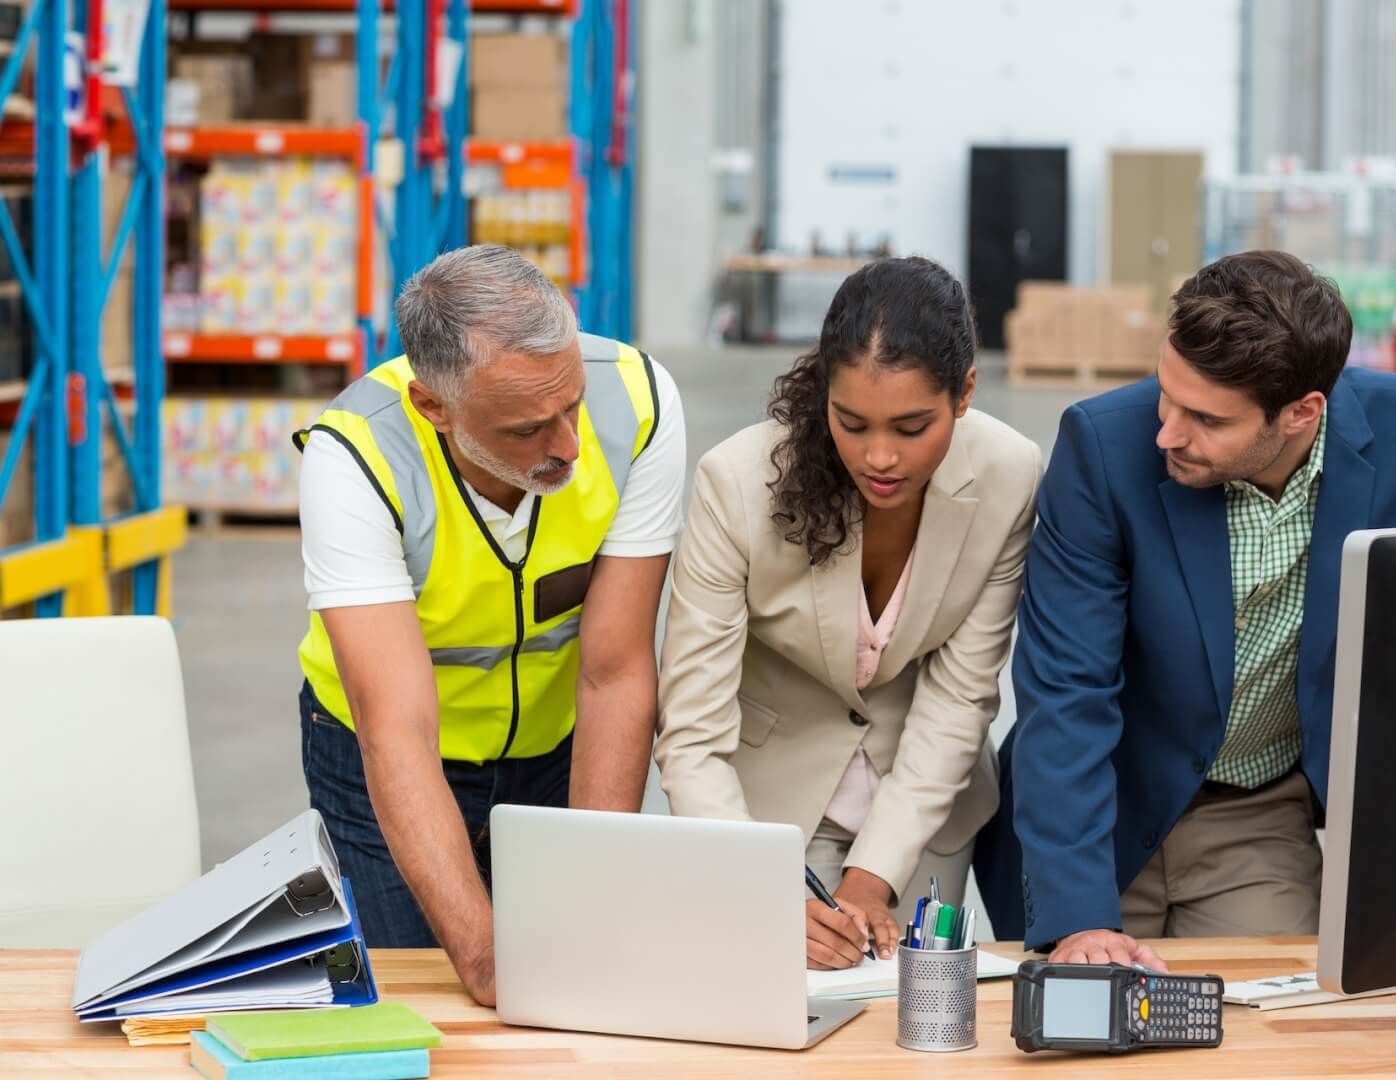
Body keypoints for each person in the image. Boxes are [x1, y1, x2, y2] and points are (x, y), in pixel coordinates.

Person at [975, 250, 1396, 968]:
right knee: (1082, 1032)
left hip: (1257, 808)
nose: (1167, 433)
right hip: (1097, 803)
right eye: (1165, 393)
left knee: (1275, 1036)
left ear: (1304, 413)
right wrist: (1079, 921)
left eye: (1206, 418)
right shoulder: (1103, 450)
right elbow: (1066, 692)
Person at [295, 244, 686, 1003]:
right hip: (385, 759)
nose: (569, 447)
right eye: (525, 430)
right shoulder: (354, 457)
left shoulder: (638, 403)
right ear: (432, 407)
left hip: (557, 745)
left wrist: (594, 893)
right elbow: (397, 732)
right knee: (421, 1003)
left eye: (569, 405)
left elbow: (615, 671)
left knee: (576, 976)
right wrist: (481, 958)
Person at [655, 256, 1042, 969]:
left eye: (912, 425)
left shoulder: (1010, 474)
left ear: (965, 393)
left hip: (926, 813)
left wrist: (873, 879)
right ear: (822, 394)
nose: (881, 456)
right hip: (763, 814)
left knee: (916, 1026)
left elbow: (961, 699)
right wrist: (757, 887)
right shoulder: (737, 485)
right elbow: (691, 733)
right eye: (852, 423)